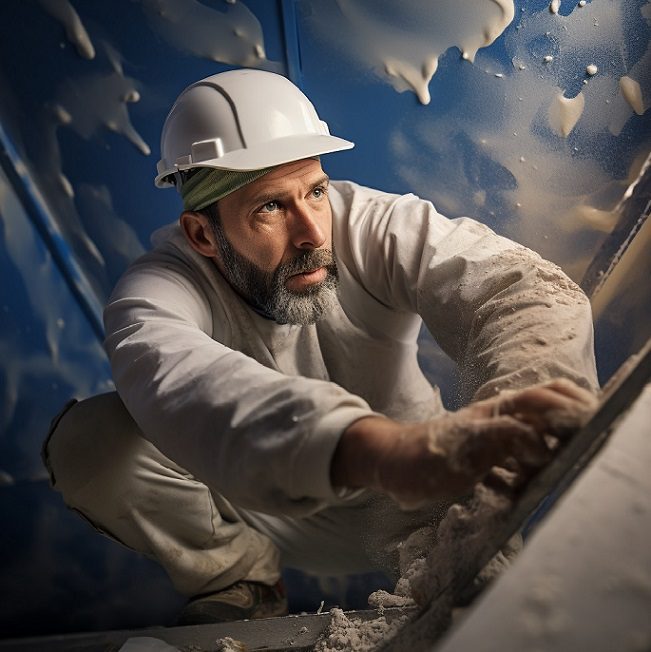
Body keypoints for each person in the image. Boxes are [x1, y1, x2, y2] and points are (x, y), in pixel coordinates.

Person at [43, 69, 598, 625]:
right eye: (270, 208)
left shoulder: (373, 224)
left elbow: (524, 292)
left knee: (493, 612)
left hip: (424, 496)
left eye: (315, 191)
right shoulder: (155, 294)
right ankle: (239, 581)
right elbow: (181, 386)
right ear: (202, 236)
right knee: (90, 445)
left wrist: (509, 441)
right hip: (272, 506)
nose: (312, 232)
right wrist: (381, 452)